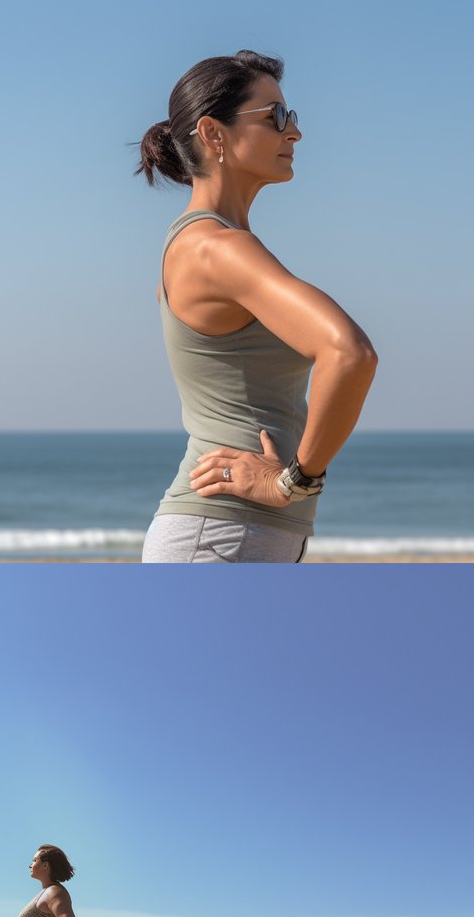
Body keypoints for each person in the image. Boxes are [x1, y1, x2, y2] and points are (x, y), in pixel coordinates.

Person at [135, 51, 378, 563]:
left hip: (234, 534)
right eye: (276, 116)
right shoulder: (215, 248)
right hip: (221, 535)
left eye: (291, 116)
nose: (295, 133)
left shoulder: (209, 244)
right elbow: (349, 353)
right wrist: (294, 482)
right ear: (213, 133)